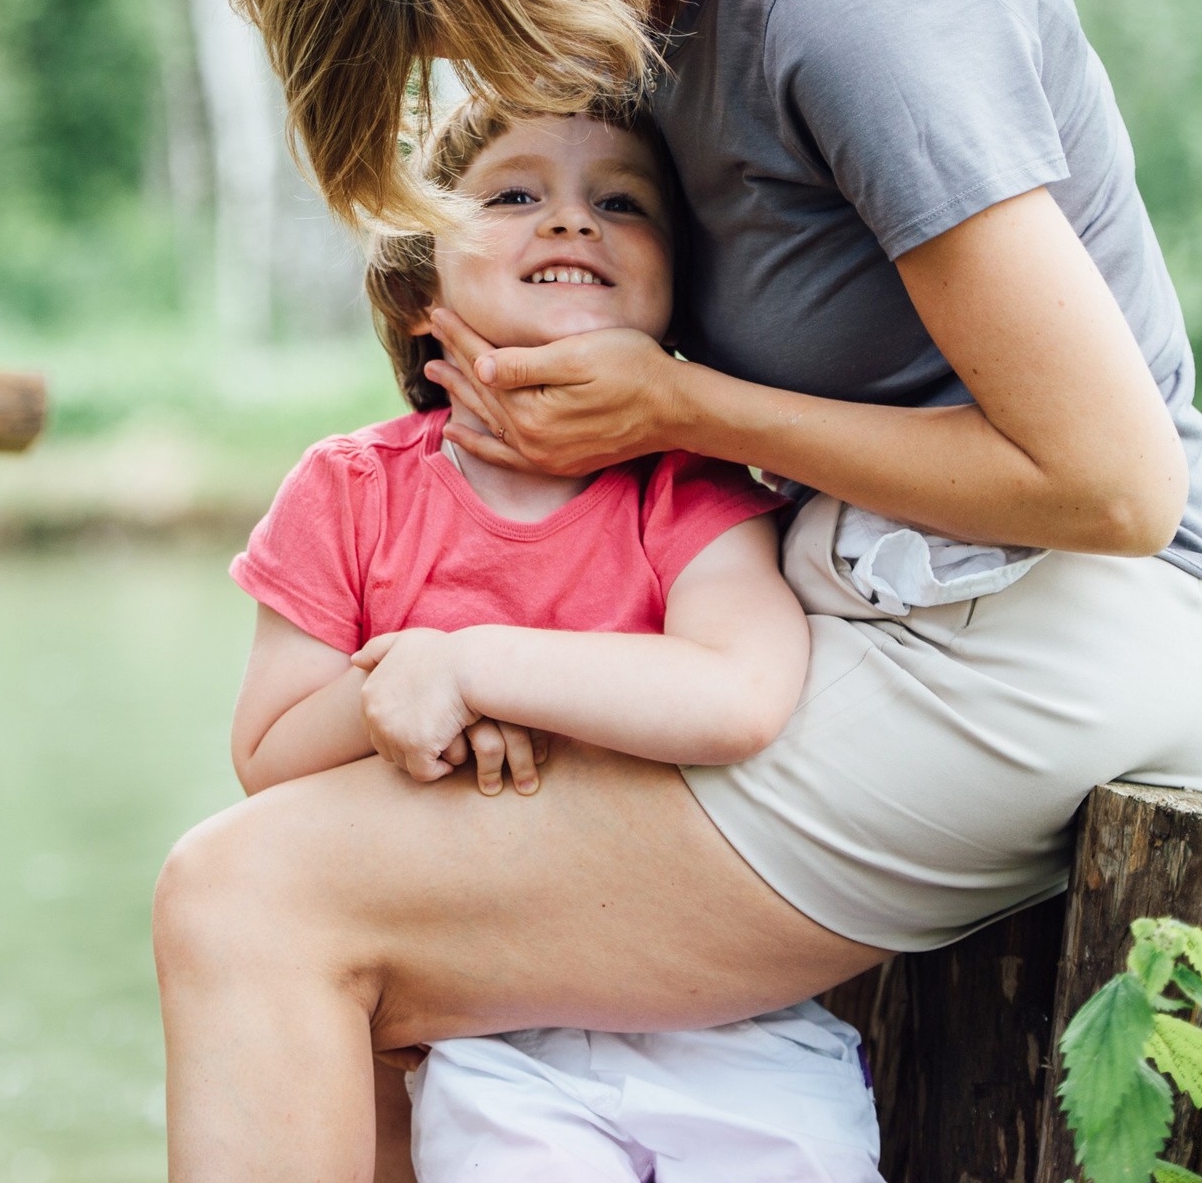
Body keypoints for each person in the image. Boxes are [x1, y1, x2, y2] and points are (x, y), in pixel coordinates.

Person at [153, 0, 1202, 1180]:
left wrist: (674, 405)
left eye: (478, 23)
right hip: (876, 600)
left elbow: (1115, 486)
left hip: (1041, 634)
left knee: (252, 903)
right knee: (359, 974)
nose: (495, 67)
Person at [227, 92, 884, 1182]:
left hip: (727, 1018)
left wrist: (477, 667)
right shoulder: (348, 490)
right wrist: (417, 687)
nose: (573, 222)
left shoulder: (689, 487)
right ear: (416, 288)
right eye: (515, 193)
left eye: (621, 201)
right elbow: (268, 759)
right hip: (488, 1030)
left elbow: (737, 697)